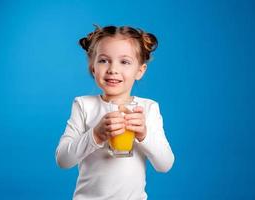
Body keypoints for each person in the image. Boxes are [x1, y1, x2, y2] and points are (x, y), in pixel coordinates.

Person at [55, 25, 175, 200]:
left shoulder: (148, 108)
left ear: (139, 71)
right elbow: (63, 160)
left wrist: (144, 134)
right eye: (104, 60)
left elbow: (165, 165)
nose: (112, 69)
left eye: (124, 62)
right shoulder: (83, 105)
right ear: (93, 67)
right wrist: (95, 134)